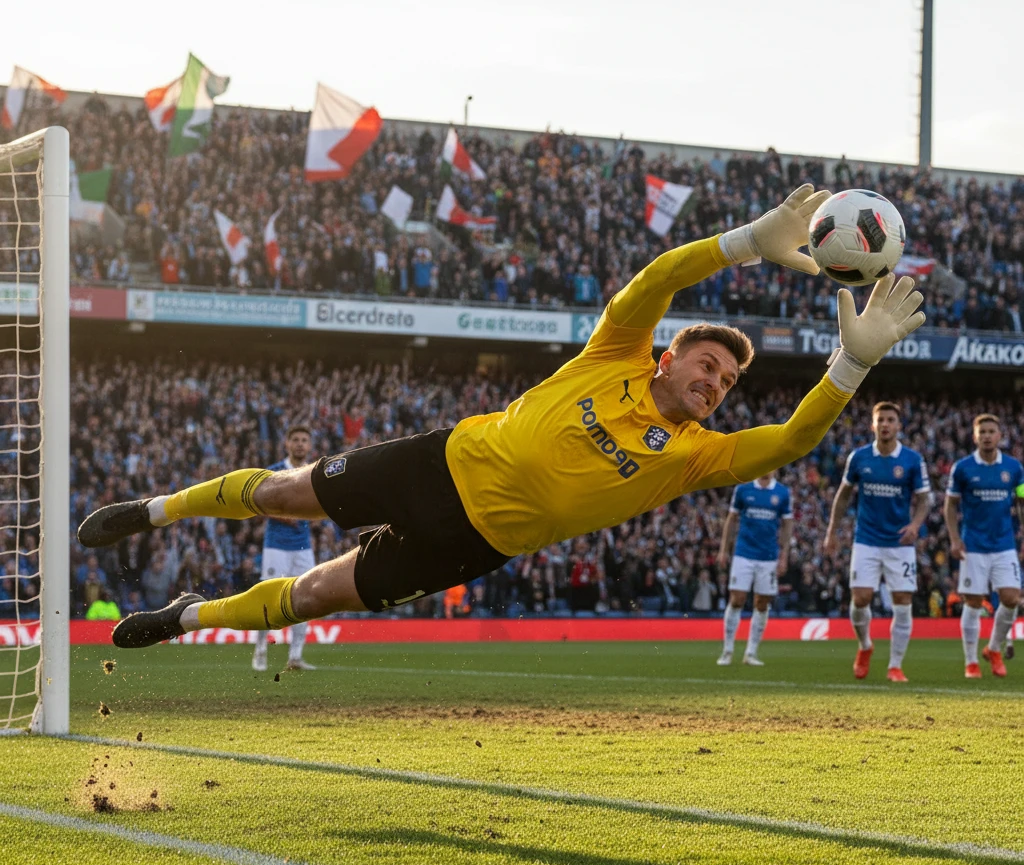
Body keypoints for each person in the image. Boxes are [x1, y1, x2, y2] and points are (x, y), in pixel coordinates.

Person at [77, 186, 927, 650]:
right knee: (282, 495)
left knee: (312, 593)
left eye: (730, 382)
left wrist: (850, 364)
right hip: (441, 462)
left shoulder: (696, 456)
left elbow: (793, 438)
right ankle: (152, 512)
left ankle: (185, 616)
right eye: (709, 364)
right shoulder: (615, 355)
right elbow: (653, 283)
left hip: (473, 542)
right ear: (669, 357)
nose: (718, 384)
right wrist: (743, 241)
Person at [823, 402, 931, 682]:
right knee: (860, 598)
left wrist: (916, 525)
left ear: (899, 426)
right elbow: (843, 495)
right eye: (880, 419)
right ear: (872, 425)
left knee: (903, 600)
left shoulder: (912, 460)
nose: (885, 424)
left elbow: (924, 499)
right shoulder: (859, 458)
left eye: (890, 420)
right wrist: (832, 530)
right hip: (867, 539)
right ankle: (865, 646)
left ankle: (895, 666)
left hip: (900, 542)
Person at [942, 414, 1024, 679]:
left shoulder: (1014, 468)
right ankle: (971, 662)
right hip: (973, 546)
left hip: (1004, 544)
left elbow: (1022, 500)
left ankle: (993, 649)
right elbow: (950, 505)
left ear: (1000, 435)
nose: (987, 435)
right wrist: (955, 539)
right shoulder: (963, 468)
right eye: (982, 432)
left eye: (991, 431)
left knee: (1011, 598)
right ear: (975, 436)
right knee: (973, 603)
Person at [252, 426, 318, 673]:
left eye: (304, 440)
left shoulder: (312, 472)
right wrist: (285, 516)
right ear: (287, 444)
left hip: (303, 546)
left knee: (307, 599)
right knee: (268, 598)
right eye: (296, 440)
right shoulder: (275, 472)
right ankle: (260, 649)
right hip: (276, 545)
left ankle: (296, 657)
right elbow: (260, 506)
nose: (300, 444)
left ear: (309, 446)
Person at [715, 469, 793, 666]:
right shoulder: (743, 489)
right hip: (744, 553)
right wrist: (724, 549)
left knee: (762, 603)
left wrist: (784, 556)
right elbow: (731, 521)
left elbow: (787, 526)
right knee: (737, 599)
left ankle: (750, 653)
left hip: (768, 556)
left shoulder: (783, 493)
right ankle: (727, 650)